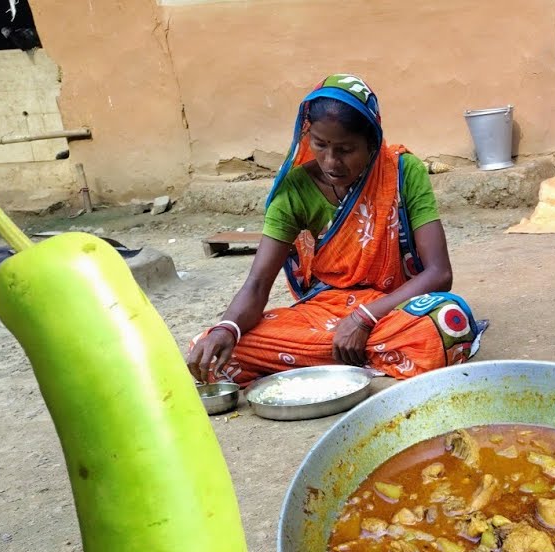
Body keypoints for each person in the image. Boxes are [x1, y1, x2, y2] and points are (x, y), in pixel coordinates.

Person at [187, 74, 480, 385]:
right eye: (320, 144)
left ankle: (322, 359)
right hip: (325, 313)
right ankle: (360, 355)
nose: (331, 161)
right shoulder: (295, 190)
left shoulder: (403, 173)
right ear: (306, 135)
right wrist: (225, 329)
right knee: (211, 347)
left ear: (372, 141)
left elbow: (439, 273)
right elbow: (258, 283)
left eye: (345, 149)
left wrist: (364, 319)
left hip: (393, 306)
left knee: (447, 324)